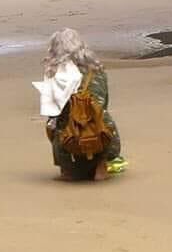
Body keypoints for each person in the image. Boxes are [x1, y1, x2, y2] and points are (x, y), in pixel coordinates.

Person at [33, 27, 126, 181]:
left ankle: (68, 170)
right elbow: (104, 103)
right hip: (101, 135)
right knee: (102, 116)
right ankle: (100, 167)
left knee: (55, 124)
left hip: (69, 139)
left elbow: (52, 112)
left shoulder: (54, 73)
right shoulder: (96, 69)